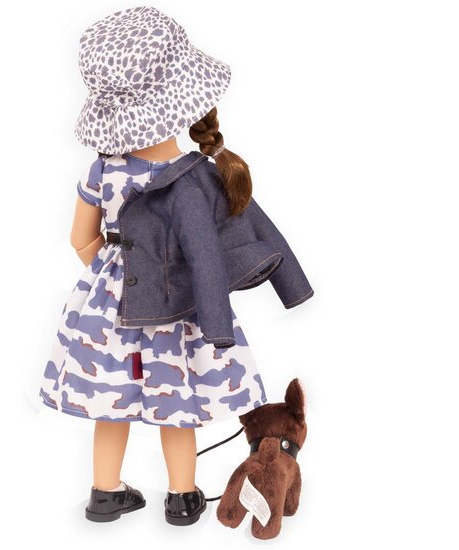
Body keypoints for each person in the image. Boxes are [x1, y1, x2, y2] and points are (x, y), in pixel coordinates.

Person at [38, 6, 312, 527]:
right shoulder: (198, 174)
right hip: (176, 308)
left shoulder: (101, 169)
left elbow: (80, 239)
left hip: (109, 311)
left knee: (112, 404)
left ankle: (105, 493)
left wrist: (115, 279)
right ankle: (182, 497)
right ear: (180, 98)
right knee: (176, 401)